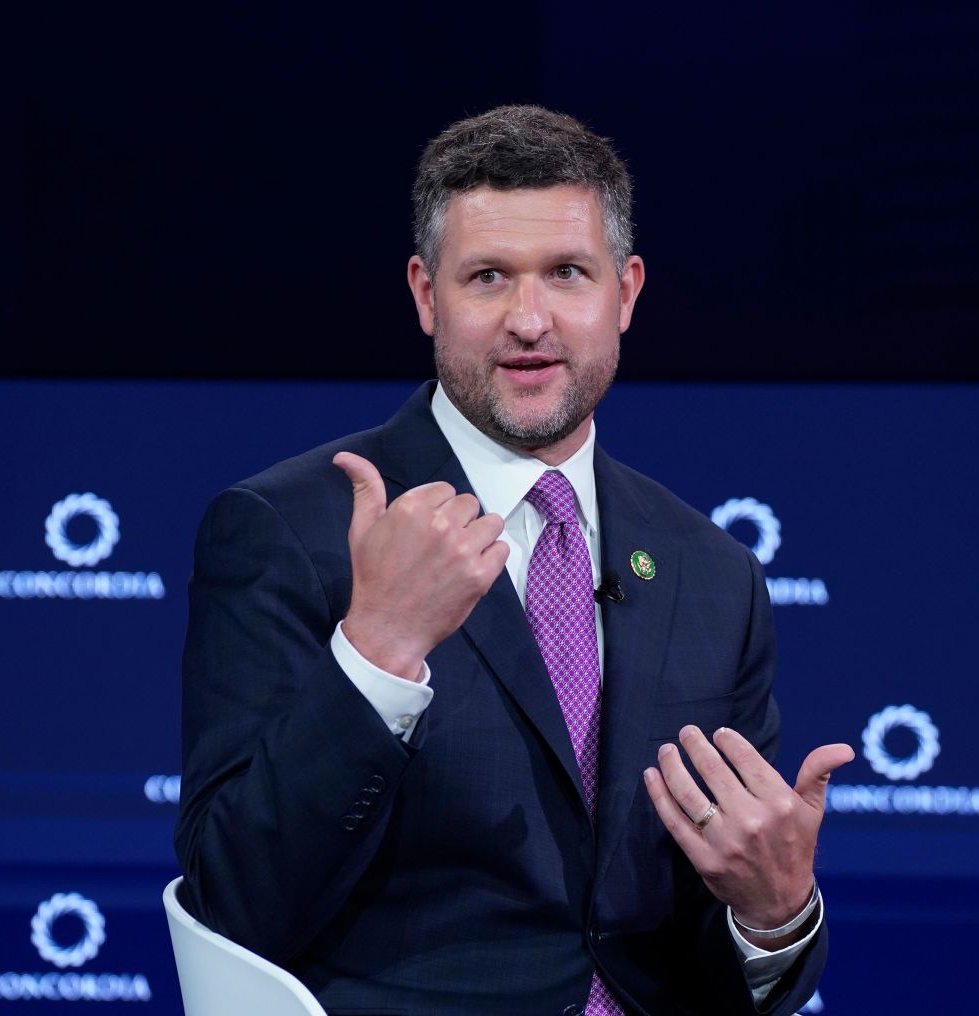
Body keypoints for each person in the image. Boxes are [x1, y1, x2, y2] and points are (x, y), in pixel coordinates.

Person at [176, 104, 853, 1016]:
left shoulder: (712, 573)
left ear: (626, 292)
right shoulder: (290, 529)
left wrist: (773, 915)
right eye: (488, 277)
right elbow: (235, 904)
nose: (529, 320)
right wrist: (377, 653)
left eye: (567, 274)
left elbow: (709, 953)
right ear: (425, 295)